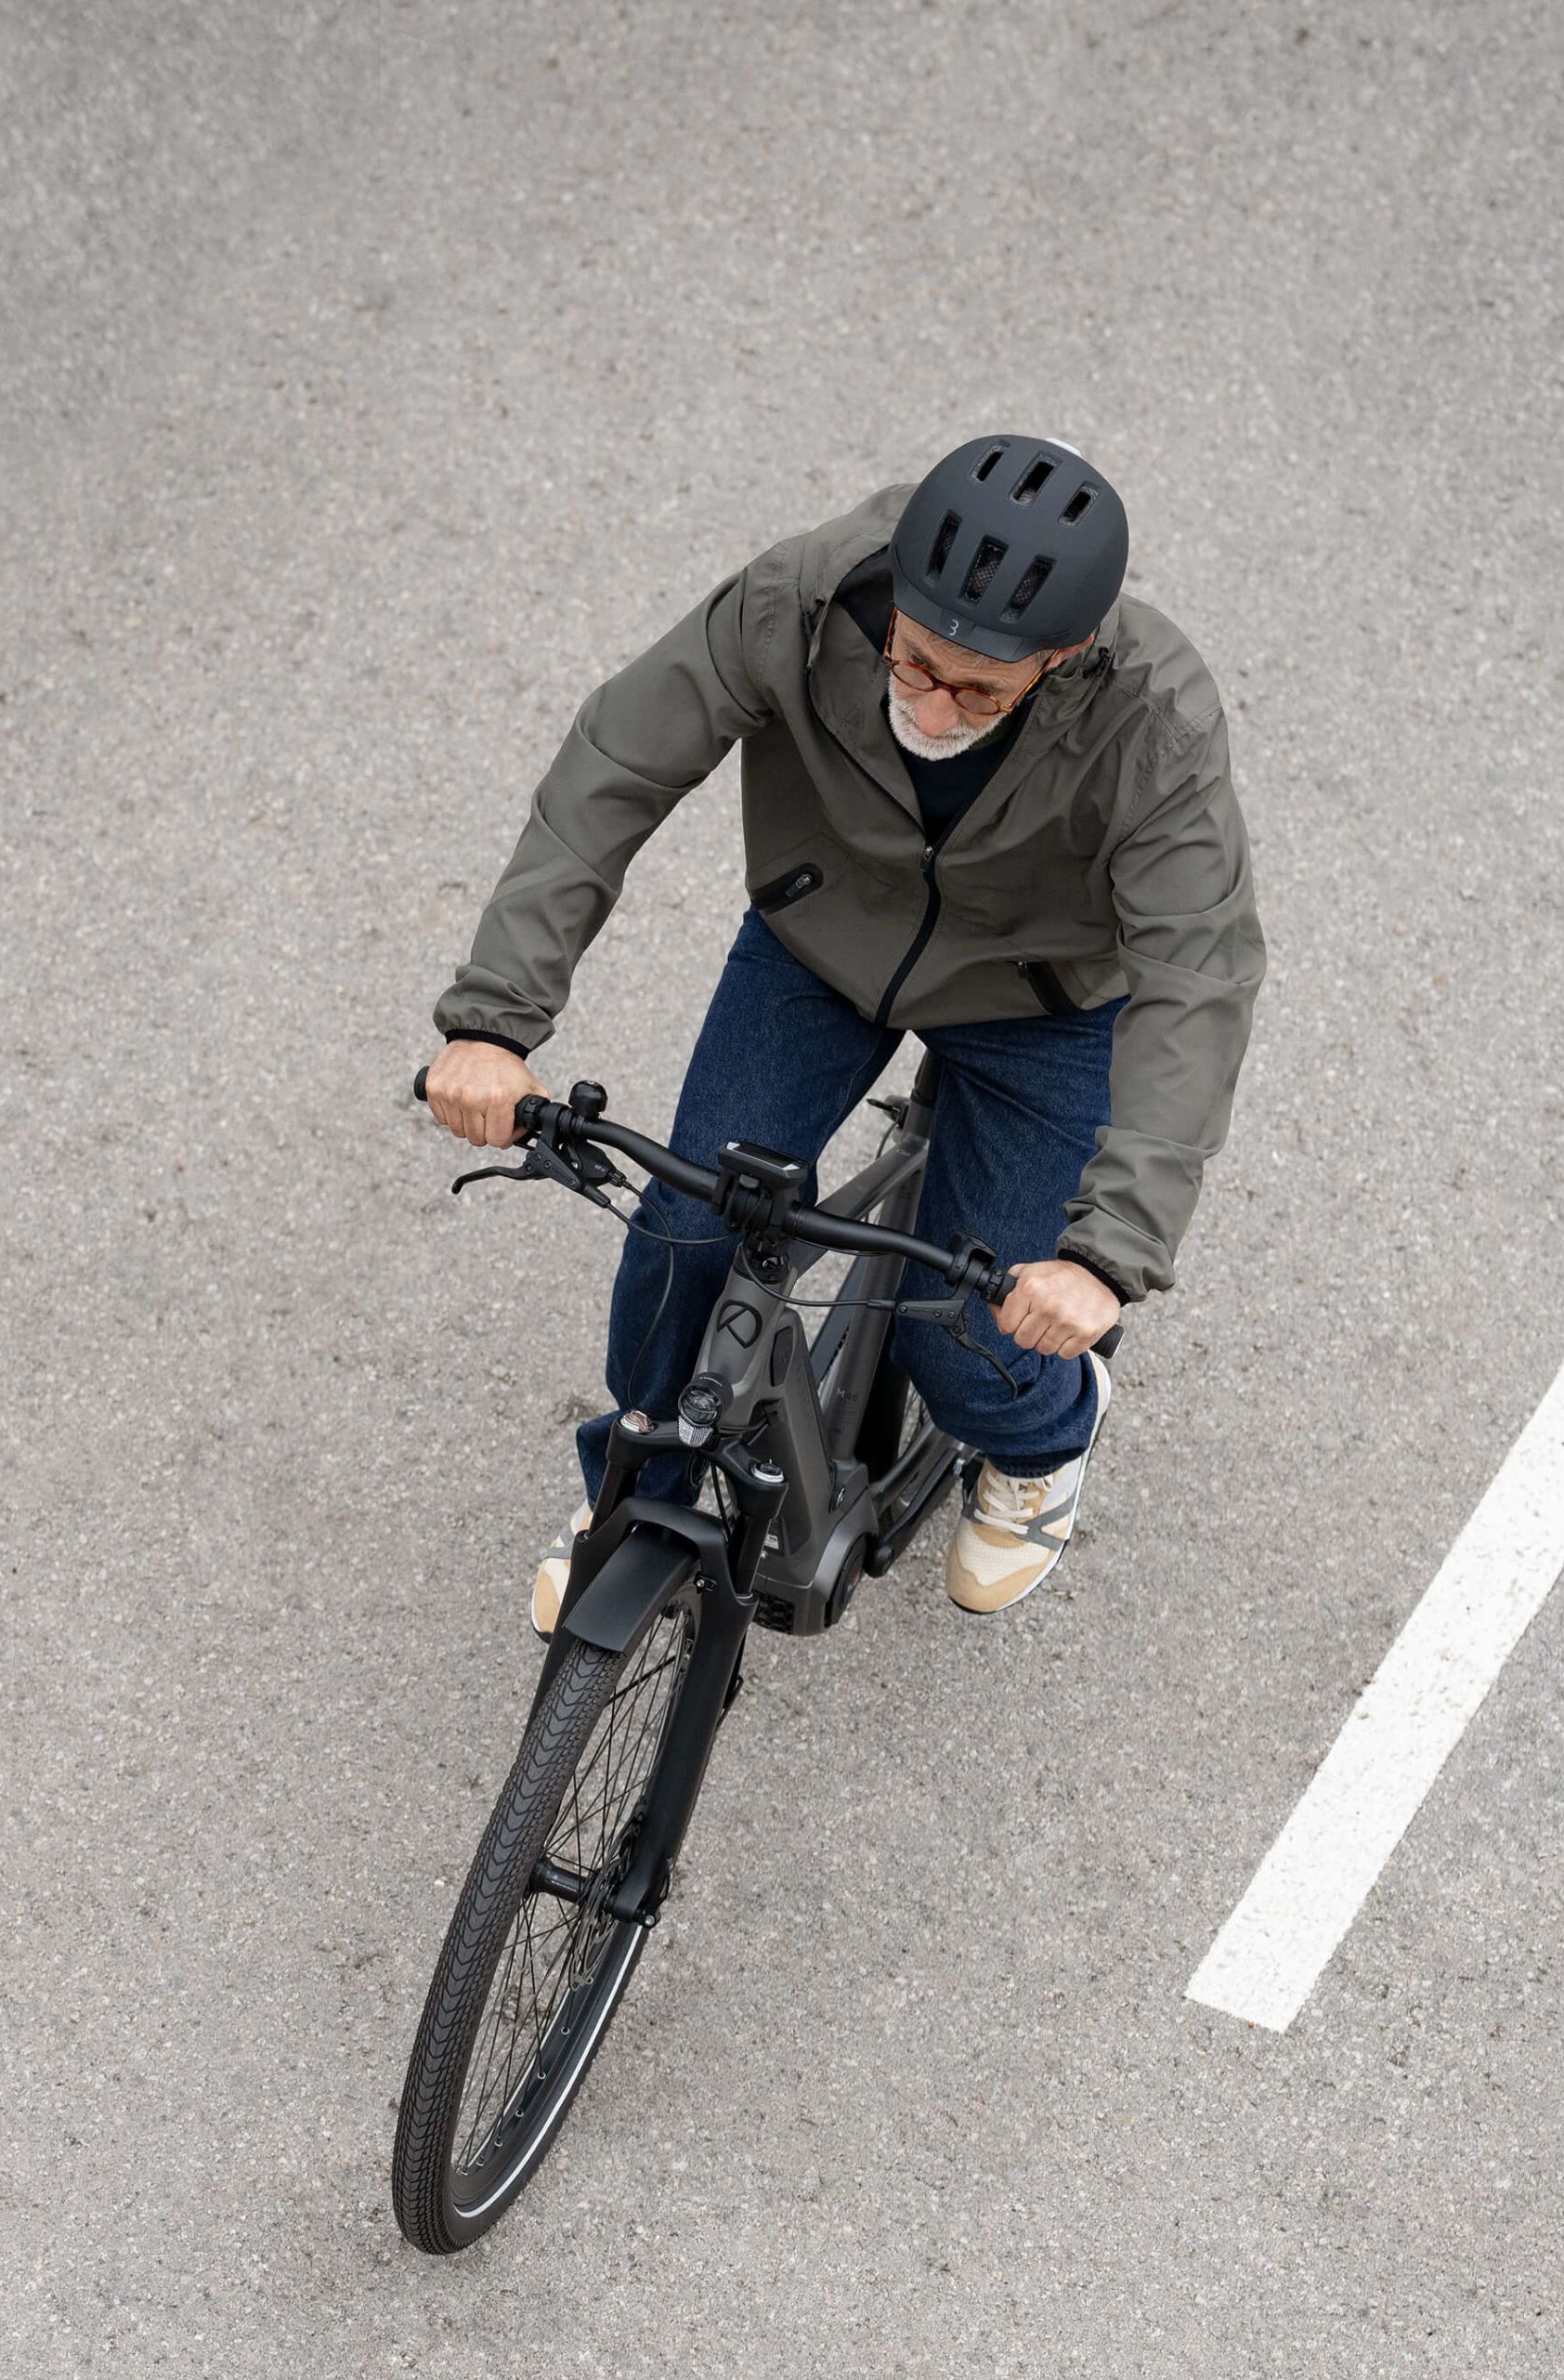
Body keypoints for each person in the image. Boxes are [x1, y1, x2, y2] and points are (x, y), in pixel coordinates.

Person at [424, 434, 1262, 1624]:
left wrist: (1105, 1255)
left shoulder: (1152, 717)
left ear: (1065, 656)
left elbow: (1200, 972)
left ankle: (1042, 1449)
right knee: (685, 1225)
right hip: (824, 942)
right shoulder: (803, 595)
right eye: (912, 664)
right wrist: (494, 1022)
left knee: (977, 1348)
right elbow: (617, 762)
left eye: (980, 691)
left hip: (1046, 1004)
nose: (931, 706)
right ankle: (638, 1476)